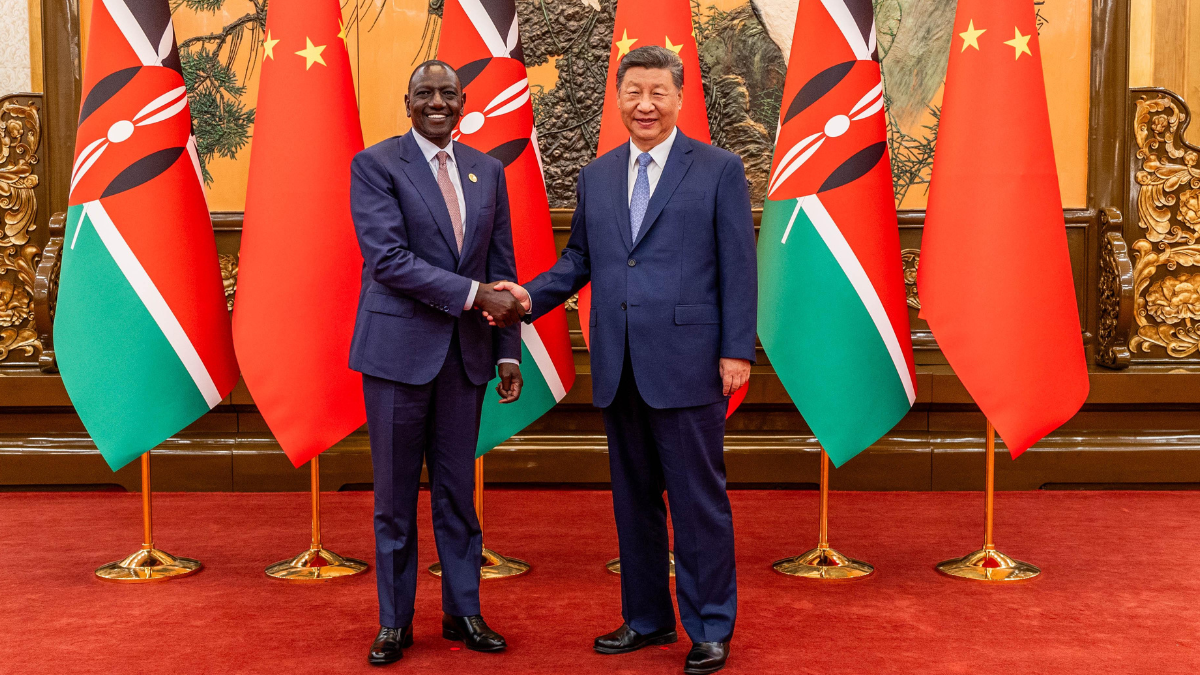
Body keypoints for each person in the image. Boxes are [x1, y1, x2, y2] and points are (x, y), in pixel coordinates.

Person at [493, 46, 757, 675]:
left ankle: (711, 626)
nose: (645, 104)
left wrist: (735, 352)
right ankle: (646, 620)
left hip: (692, 361)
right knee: (633, 501)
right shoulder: (599, 174)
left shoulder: (718, 169)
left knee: (698, 503)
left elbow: (738, 269)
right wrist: (528, 296)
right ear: (618, 97)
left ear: (679, 97)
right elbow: (581, 259)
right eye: (633, 91)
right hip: (619, 362)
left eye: (657, 92)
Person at [348, 59, 527, 666]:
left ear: (463, 101)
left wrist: (508, 352)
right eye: (424, 93)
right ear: (407, 100)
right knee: (395, 501)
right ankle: (395, 622)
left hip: (466, 361)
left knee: (456, 495)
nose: (436, 102)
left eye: (447, 94)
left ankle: (463, 611)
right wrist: (477, 296)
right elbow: (389, 260)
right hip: (397, 358)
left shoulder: (487, 171)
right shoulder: (375, 165)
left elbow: (501, 265)